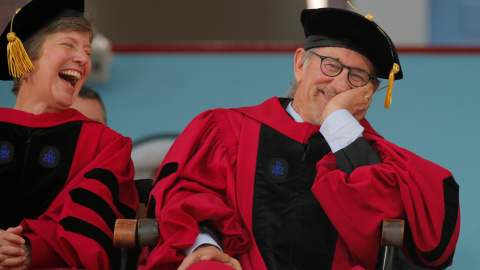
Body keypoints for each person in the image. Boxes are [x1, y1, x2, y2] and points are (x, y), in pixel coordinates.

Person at [145, 7, 460, 270]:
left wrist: (337, 120)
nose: (338, 85)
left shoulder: (374, 159)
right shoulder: (229, 131)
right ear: (299, 64)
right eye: (331, 65)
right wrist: (204, 247)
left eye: (357, 77)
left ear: (371, 92)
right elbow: (189, 198)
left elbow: (404, 234)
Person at [0, 0, 138, 269]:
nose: (84, 58)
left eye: (87, 50)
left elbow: (94, 226)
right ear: (26, 56)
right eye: (68, 45)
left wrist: (31, 248)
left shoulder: (105, 146)